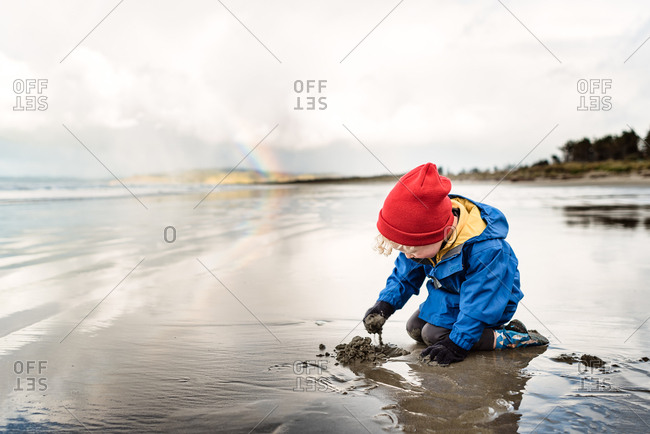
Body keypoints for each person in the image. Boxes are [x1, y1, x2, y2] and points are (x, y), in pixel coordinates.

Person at [363, 163, 548, 366]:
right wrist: (385, 304)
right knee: (414, 328)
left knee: (434, 335)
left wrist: (458, 344)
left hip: (492, 301)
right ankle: (464, 333)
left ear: (438, 234)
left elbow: (481, 301)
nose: (408, 256)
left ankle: (511, 337)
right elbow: (405, 275)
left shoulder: (487, 250)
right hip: (451, 295)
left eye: (412, 250)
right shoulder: (421, 246)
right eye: (403, 250)